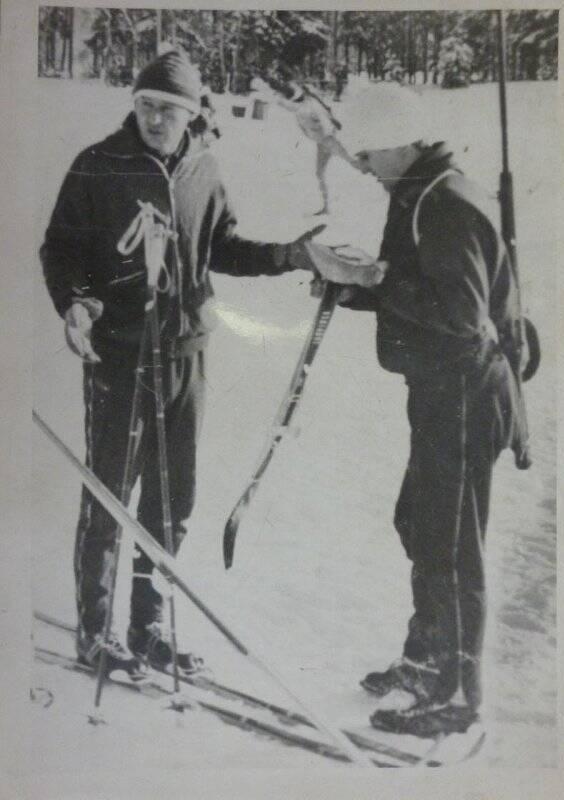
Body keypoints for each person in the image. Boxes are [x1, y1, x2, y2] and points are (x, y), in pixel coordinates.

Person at [40, 50, 381, 680]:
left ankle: (146, 629)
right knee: (109, 499)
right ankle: (96, 633)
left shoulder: (203, 167)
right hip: (120, 356)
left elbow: (222, 246)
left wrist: (291, 256)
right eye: (146, 104)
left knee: (173, 502)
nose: (155, 119)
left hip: (186, 355)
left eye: (169, 109)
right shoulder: (99, 165)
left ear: (193, 113)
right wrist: (76, 304)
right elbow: (60, 249)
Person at [342, 138, 531, 736]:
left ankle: (454, 693)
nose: (363, 162)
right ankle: (427, 659)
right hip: (445, 392)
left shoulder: (442, 202)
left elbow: (460, 314)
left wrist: (378, 280)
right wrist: (357, 288)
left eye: (371, 151)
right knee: (421, 524)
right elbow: (437, 292)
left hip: (465, 397)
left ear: (403, 144)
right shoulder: (426, 189)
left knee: (449, 547)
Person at [256, 68, 358, 216]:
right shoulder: (308, 102)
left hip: (330, 141)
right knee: (321, 173)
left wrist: (330, 129)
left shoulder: (305, 107)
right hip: (323, 143)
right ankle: (326, 207)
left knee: (353, 163)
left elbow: (287, 104)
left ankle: (378, 176)